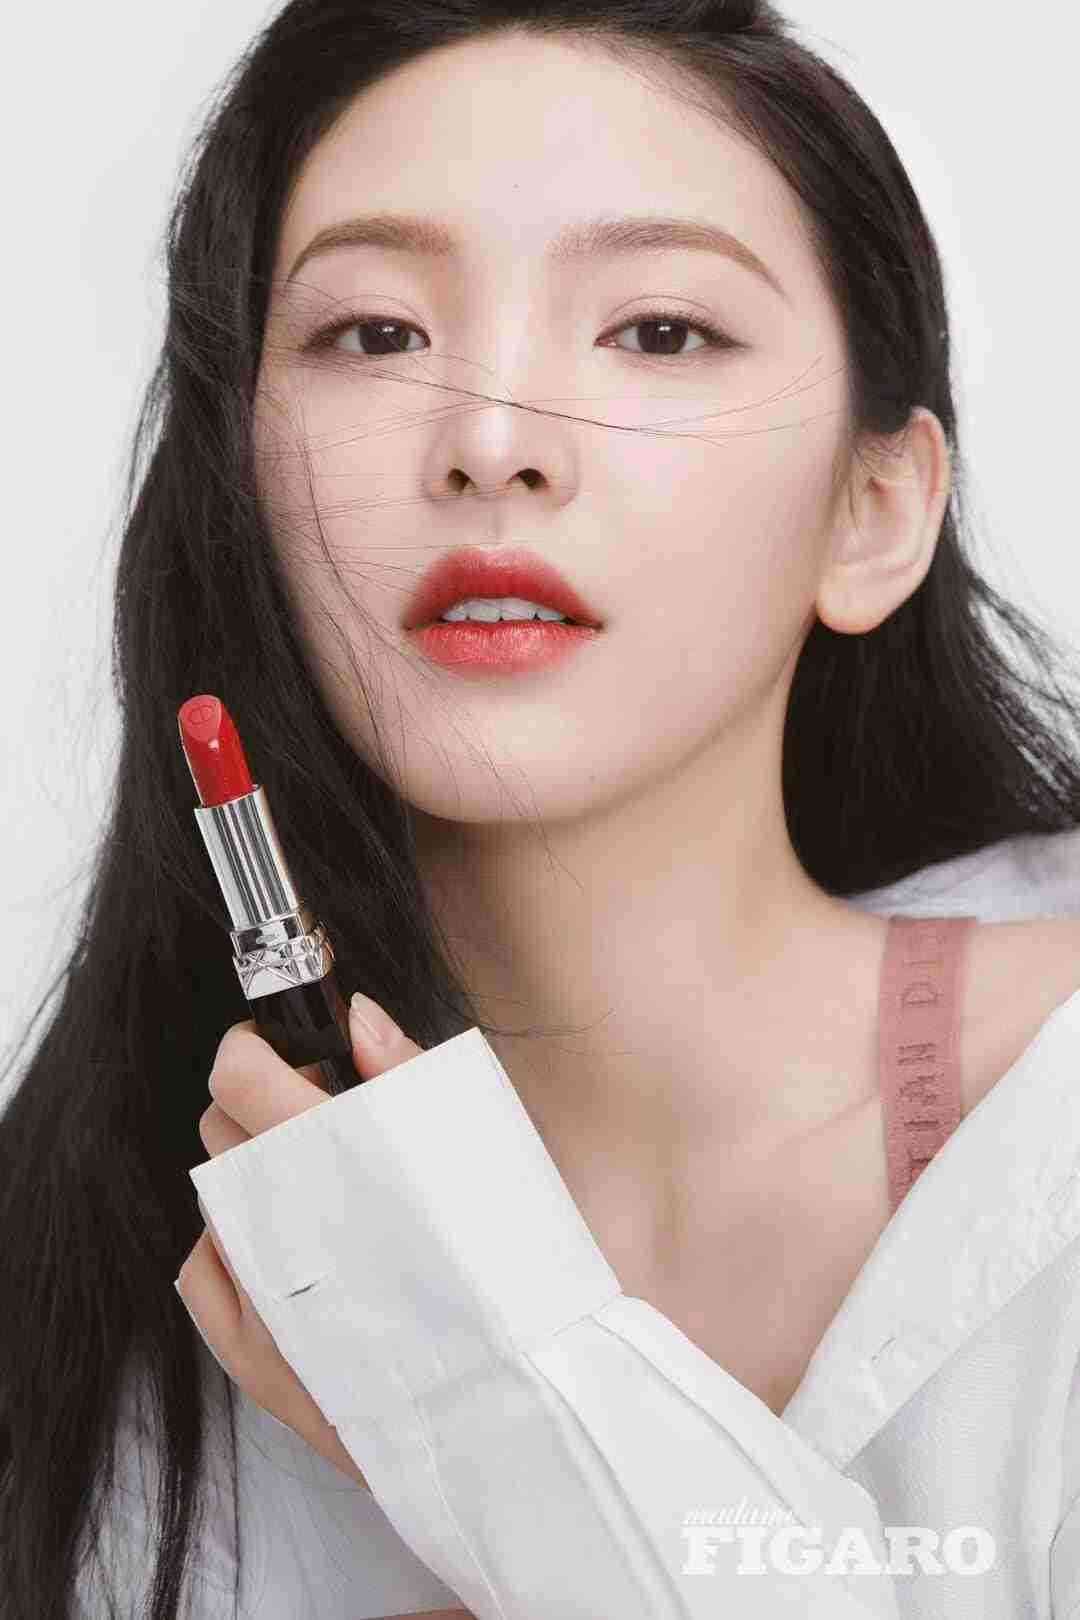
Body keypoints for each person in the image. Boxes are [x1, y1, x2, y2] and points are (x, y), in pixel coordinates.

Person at [4, 0, 1080, 1615]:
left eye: (659, 331)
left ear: (874, 511)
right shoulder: (92, 1334)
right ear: (240, 482)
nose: (493, 445)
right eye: (378, 334)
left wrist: (492, 1407)